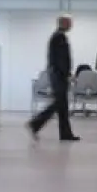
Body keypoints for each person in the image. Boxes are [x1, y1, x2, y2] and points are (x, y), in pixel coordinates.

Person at [28, 14, 79, 142]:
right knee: (59, 103)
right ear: (63, 23)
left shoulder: (58, 36)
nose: (71, 25)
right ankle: (35, 123)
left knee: (62, 106)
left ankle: (65, 134)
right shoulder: (59, 37)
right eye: (69, 23)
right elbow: (61, 59)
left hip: (57, 74)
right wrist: (67, 74)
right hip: (58, 75)